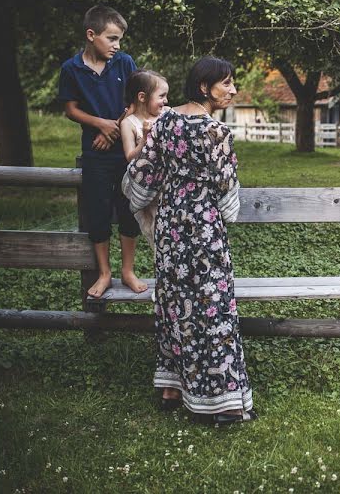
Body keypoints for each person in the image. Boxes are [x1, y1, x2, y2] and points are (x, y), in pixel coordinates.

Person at [123, 56, 253, 423]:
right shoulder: (216, 132)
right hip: (203, 226)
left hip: (171, 225)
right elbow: (228, 196)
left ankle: (172, 388)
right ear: (203, 87)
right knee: (213, 306)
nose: (233, 90)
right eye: (226, 83)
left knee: (175, 302)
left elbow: (143, 173)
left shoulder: (164, 121)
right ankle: (223, 402)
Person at [57, 5, 147, 298]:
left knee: (128, 209)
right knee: (97, 212)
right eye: (111, 38)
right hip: (94, 153)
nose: (117, 45)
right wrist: (101, 125)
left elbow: (137, 101)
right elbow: (71, 109)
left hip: (128, 150)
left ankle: (128, 271)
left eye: (119, 39)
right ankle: (105, 273)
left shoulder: (124, 63)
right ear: (91, 34)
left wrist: (115, 131)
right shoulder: (71, 69)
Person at [120, 69, 169, 250]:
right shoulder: (129, 123)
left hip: (168, 187)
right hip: (147, 187)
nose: (166, 101)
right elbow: (129, 156)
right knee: (156, 233)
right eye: (162, 96)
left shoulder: (166, 115)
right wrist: (146, 138)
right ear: (142, 97)